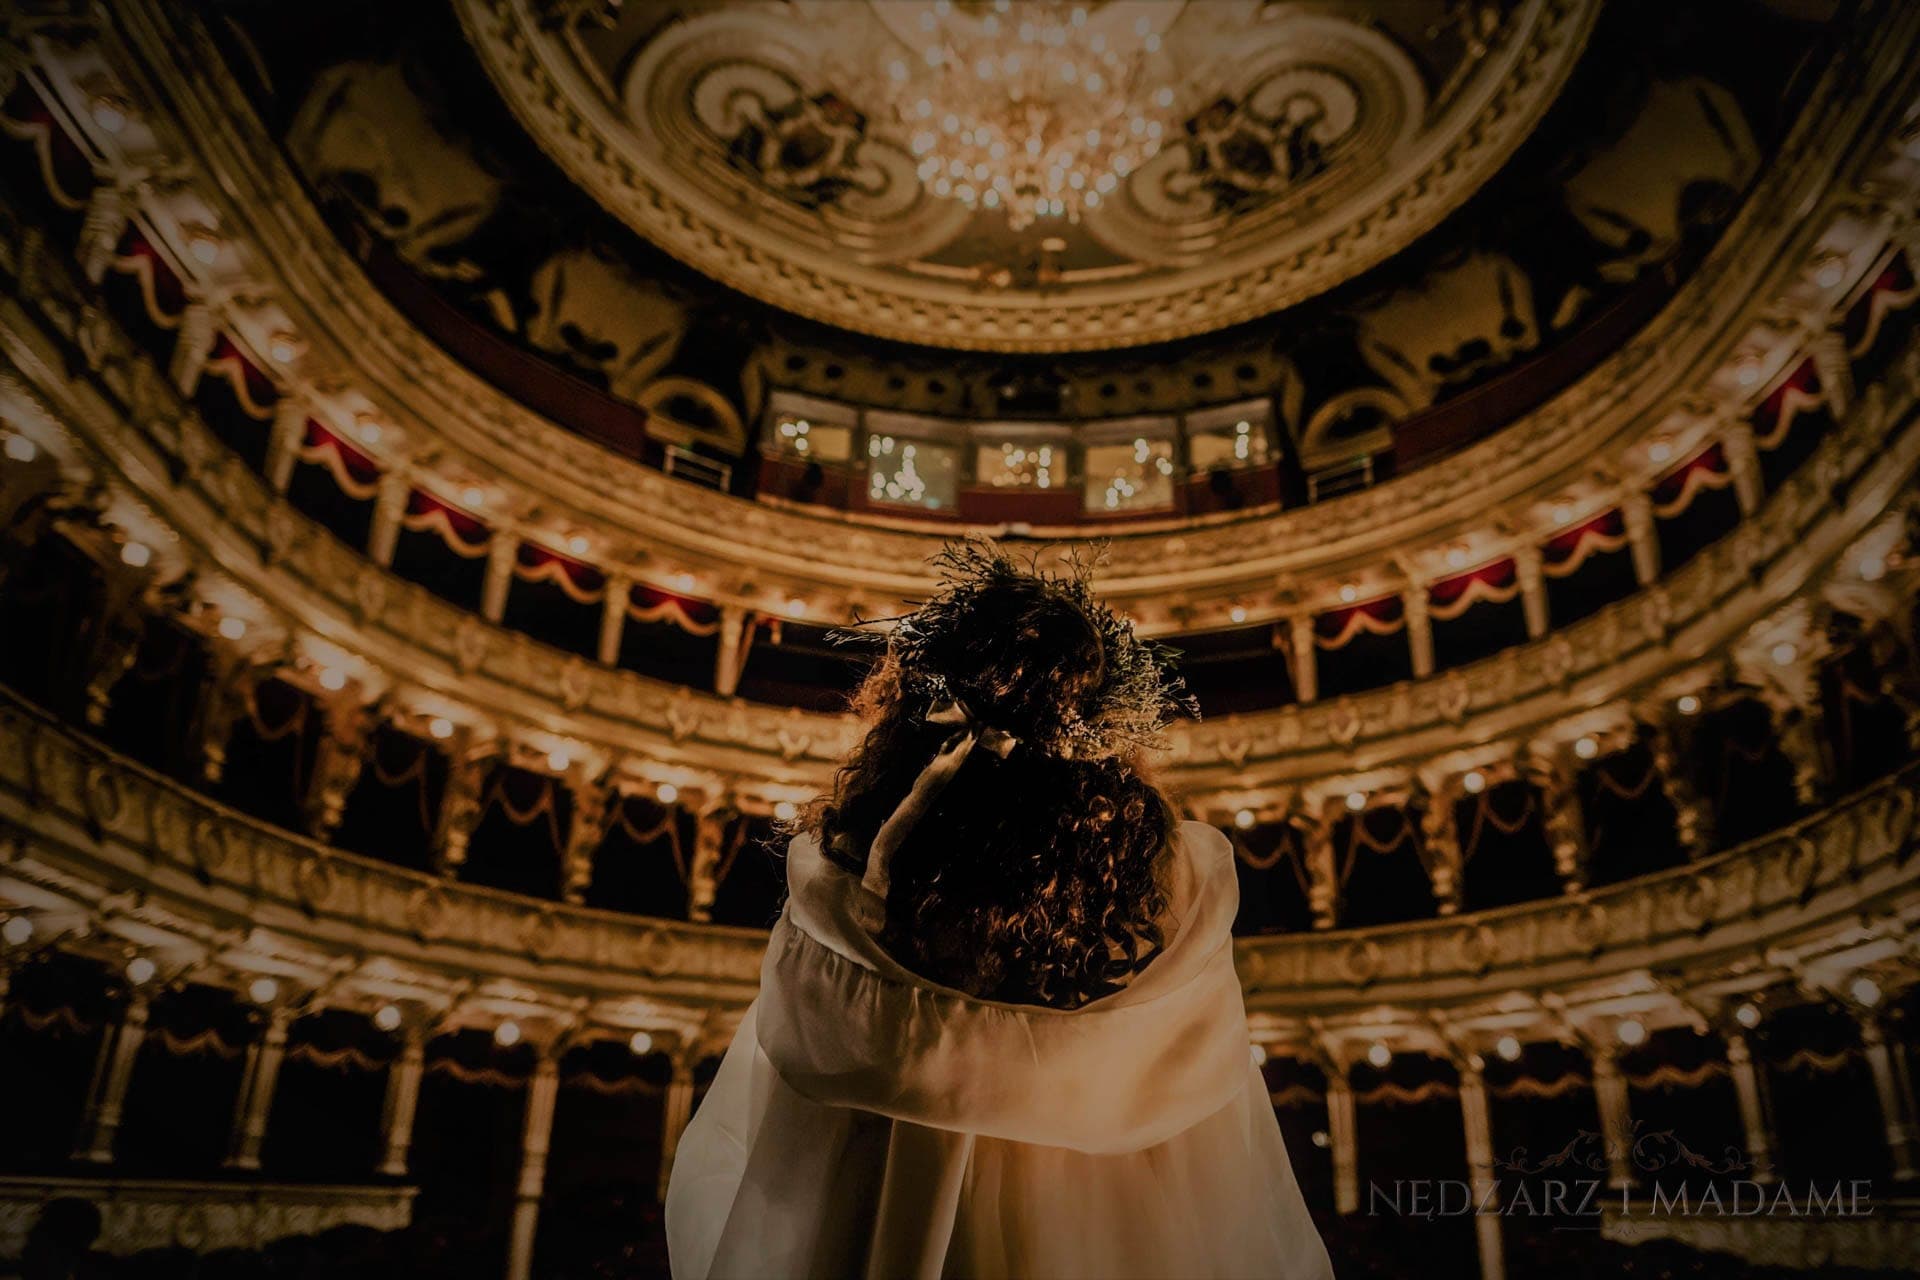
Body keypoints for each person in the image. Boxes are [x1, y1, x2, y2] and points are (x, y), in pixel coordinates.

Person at [666, 541, 1333, 1279]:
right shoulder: (1172, 867)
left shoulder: (847, 863)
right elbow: (1208, 1108)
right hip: (1113, 1223)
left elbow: (791, 1091)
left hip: (885, 1212)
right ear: (1097, 712)